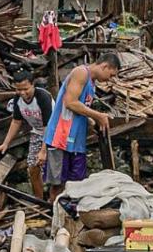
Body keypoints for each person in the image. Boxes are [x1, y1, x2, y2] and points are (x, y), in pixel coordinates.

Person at [42, 52, 121, 199]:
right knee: (58, 184)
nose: (109, 80)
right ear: (104, 66)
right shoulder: (81, 73)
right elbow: (70, 102)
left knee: (77, 183)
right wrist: (97, 115)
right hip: (61, 137)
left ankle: (71, 216)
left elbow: (80, 108)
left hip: (76, 140)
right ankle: (56, 216)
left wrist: (91, 121)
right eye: (111, 75)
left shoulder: (91, 83)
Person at [0, 70, 54, 200]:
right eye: (18, 89)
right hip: (38, 132)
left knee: (55, 169)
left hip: (55, 132)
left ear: (33, 85)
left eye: (25, 89)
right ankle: (39, 200)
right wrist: (5, 143)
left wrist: (43, 151)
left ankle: (56, 201)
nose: (22, 93)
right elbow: (16, 121)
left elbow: (48, 126)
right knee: (33, 168)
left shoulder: (42, 97)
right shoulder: (18, 99)